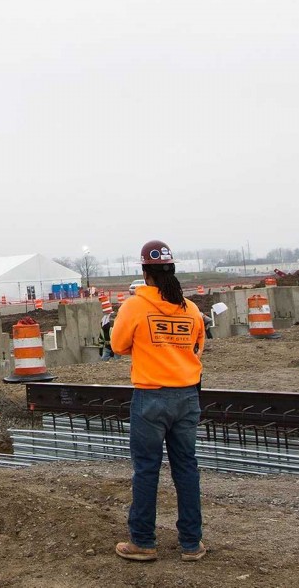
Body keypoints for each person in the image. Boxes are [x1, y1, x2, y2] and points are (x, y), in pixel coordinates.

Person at [111, 240, 206, 562]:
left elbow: (119, 345)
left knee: (147, 469)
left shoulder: (135, 307)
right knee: (186, 468)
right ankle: (191, 544)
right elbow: (196, 347)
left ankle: (143, 541)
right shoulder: (190, 309)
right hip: (187, 396)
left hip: (151, 397)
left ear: (144, 272)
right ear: (172, 269)